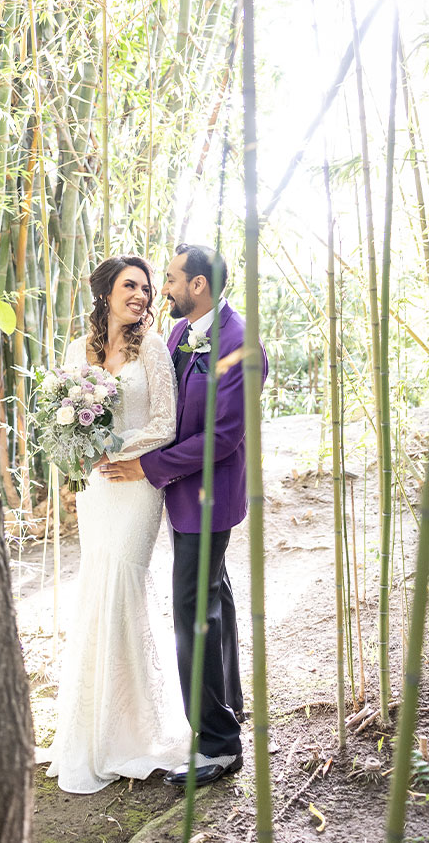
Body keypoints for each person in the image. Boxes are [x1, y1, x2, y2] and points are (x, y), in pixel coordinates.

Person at [100, 244, 268, 788]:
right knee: (213, 596)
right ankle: (232, 706)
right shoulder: (177, 335)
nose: (159, 290)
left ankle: (218, 747)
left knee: (194, 614)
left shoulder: (241, 345)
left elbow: (222, 438)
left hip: (208, 497)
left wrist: (147, 466)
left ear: (197, 285)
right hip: (177, 492)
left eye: (169, 280)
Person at [46, 255, 190, 794]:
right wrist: (75, 456)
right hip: (95, 489)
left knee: (125, 585)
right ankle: (93, 728)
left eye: (148, 289)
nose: (142, 296)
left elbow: (165, 423)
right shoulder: (74, 350)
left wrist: (114, 453)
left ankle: (137, 728)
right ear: (105, 290)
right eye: (131, 286)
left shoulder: (151, 348)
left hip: (134, 484)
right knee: (96, 588)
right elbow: (60, 418)